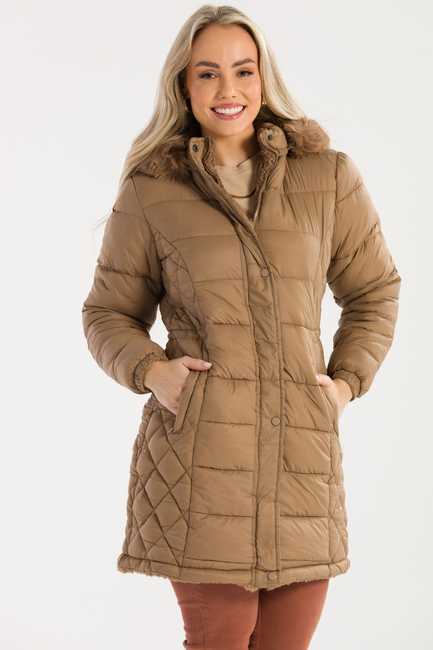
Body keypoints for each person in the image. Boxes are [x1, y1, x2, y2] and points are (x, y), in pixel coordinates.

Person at [82, 5, 401, 649]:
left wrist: (345, 383)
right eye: (208, 73)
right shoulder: (151, 190)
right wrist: (153, 371)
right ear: (184, 86)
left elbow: (373, 291)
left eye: (243, 70)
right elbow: (107, 313)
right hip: (200, 464)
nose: (228, 89)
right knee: (221, 639)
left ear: (263, 78)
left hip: (301, 466)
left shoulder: (328, 177)